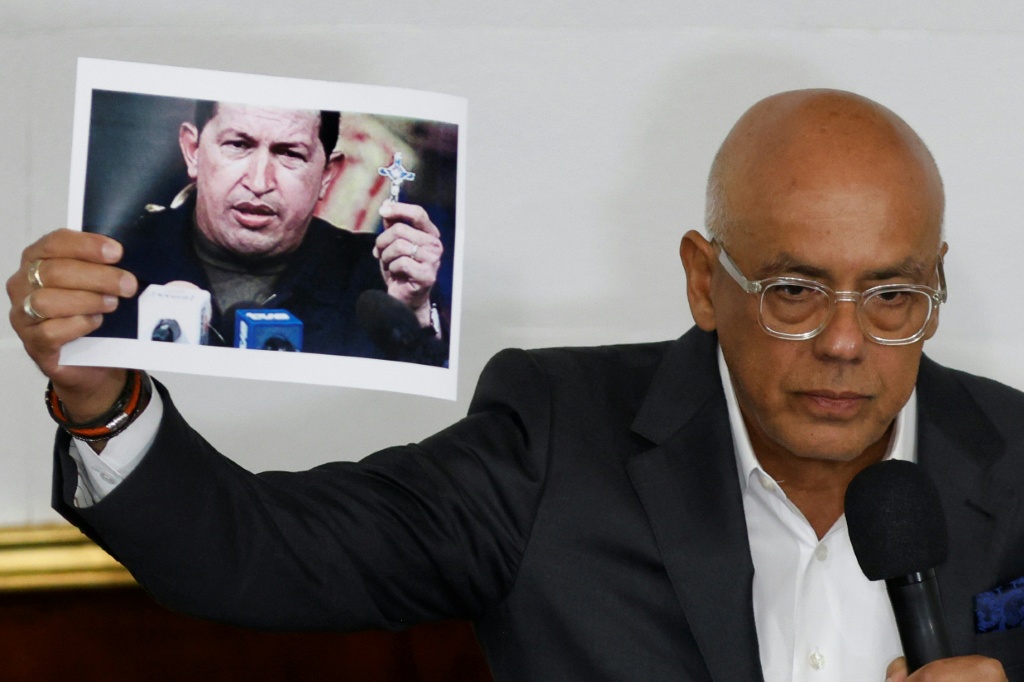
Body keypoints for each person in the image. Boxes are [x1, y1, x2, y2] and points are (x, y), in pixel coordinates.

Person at [8, 89, 1022, 681]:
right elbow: (268, 556)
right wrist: (105, 403)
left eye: (893, 295)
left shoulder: (1015, 461)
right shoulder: (557, 439)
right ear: (703, 281)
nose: (845, 341)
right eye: (794, 291)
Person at [90, 100, 448, 363]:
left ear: (327, 175)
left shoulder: (377, 274)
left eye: (289, 153)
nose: (259, 182)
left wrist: (412, 316)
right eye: (238, 145)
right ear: (193, 152)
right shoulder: (116, 261)